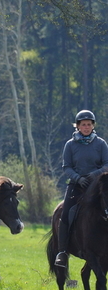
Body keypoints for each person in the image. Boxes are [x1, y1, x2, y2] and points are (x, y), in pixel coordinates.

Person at [55, 109, 108, 268]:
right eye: (83, 125)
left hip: (97, 185)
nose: (86, 127)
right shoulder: (70, 145)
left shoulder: (101, 144)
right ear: (77, 126)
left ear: (93, 126)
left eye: (89, 124)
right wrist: (78, 178)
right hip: (77, 185)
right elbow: (66, 167)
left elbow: (107, 164)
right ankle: (62, 252)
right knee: (65, 214)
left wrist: (95, 175)